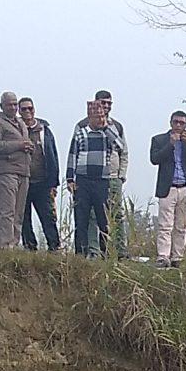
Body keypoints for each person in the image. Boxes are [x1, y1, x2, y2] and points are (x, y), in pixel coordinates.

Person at [66, 99, 124, 258]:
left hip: (102, 180)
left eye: (102, 116)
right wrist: (70, 179)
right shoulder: (80, 133)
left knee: (104, 218)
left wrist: (106, 128)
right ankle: (81, 253)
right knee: (82, 218)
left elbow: (120, 146)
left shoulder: (108, 134)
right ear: (89, 116)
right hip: (83, 180)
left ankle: (105, 253)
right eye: (97, 116)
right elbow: (72, 156)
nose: (100, 119)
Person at [0, 92, 35, 249]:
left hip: (23, 172)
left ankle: (14, 244)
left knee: (19, 213)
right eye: (9, 104)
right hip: (7, 171)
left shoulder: (20, 123)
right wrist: (19, 145)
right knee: (8, 211)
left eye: (15, 104)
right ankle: (5, 247)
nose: (13, 107)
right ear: (1, 106)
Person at [149, 109, 186, 267]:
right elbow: (154, 159)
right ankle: (163, 256)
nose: (178, 125)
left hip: (185, 188)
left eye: (182, 123)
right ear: (170, 123)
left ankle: (178, 257)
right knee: (165, 225)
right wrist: (170, 145)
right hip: (168, 188)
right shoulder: (159, 140)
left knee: (182, 226)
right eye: (175, 122)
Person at [17, 97, 60, 251]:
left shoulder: (44, 130)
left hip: (43, 182)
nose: (28, 111)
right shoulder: (15, 130)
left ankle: (54, 248)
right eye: (24, 109)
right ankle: (30, 248)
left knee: (48, 217)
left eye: (30, 108)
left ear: (34, 109)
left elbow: (52, 155)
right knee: (24, 218)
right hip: (23, 180)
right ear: (19, 111)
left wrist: (53, 183)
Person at [94, 90, 130, 255]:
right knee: (95, 215)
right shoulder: (84, 124)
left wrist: (121, 175)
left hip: (114, 177)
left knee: (116, 215)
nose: (106, 106)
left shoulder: (117, 126)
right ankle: (96, 250)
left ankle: (120, 250)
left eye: (109, 103)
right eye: (103, 102)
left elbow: (124, 151)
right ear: (96, 103)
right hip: (93, 177)